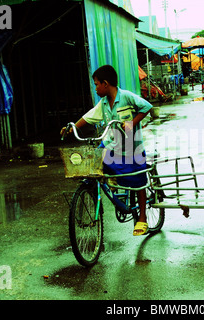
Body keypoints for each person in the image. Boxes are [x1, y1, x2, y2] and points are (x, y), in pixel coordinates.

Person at [60, 65, 153, 236]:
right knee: (94, 162)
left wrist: (131, 123)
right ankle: (101, 188)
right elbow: (88, 117)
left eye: (96, 84)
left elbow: (146, 107)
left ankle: (143, 217)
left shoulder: (126, 96)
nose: (95, 88)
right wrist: (71, 128)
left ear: (105, 83)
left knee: (139, 181)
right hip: (111, 145)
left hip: (132, 148)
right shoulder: (103, 103)